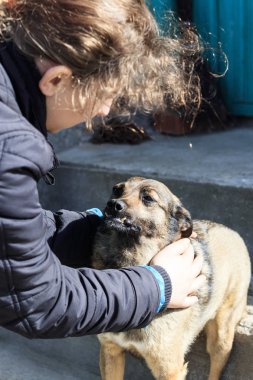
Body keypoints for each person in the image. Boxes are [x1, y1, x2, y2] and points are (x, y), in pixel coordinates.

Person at [0, 0, 205, 339]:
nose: (105, 109)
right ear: (57, 80)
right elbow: (36, 300)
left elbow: (10, 244)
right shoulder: (9, 148)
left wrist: (100, 226)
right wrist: (157, 286)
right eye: (105, 94)